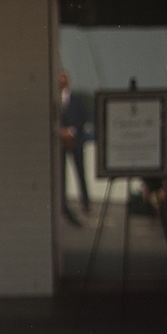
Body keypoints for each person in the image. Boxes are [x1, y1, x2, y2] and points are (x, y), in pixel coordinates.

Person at [59, 71, 91, 227]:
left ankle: (85, 201)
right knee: (61, 174)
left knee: (80, 171)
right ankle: (62, 202)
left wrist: (72, 131)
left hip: (75, 141)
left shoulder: (76, 99)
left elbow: (82, 117)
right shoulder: (56, 99)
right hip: (61, 141)